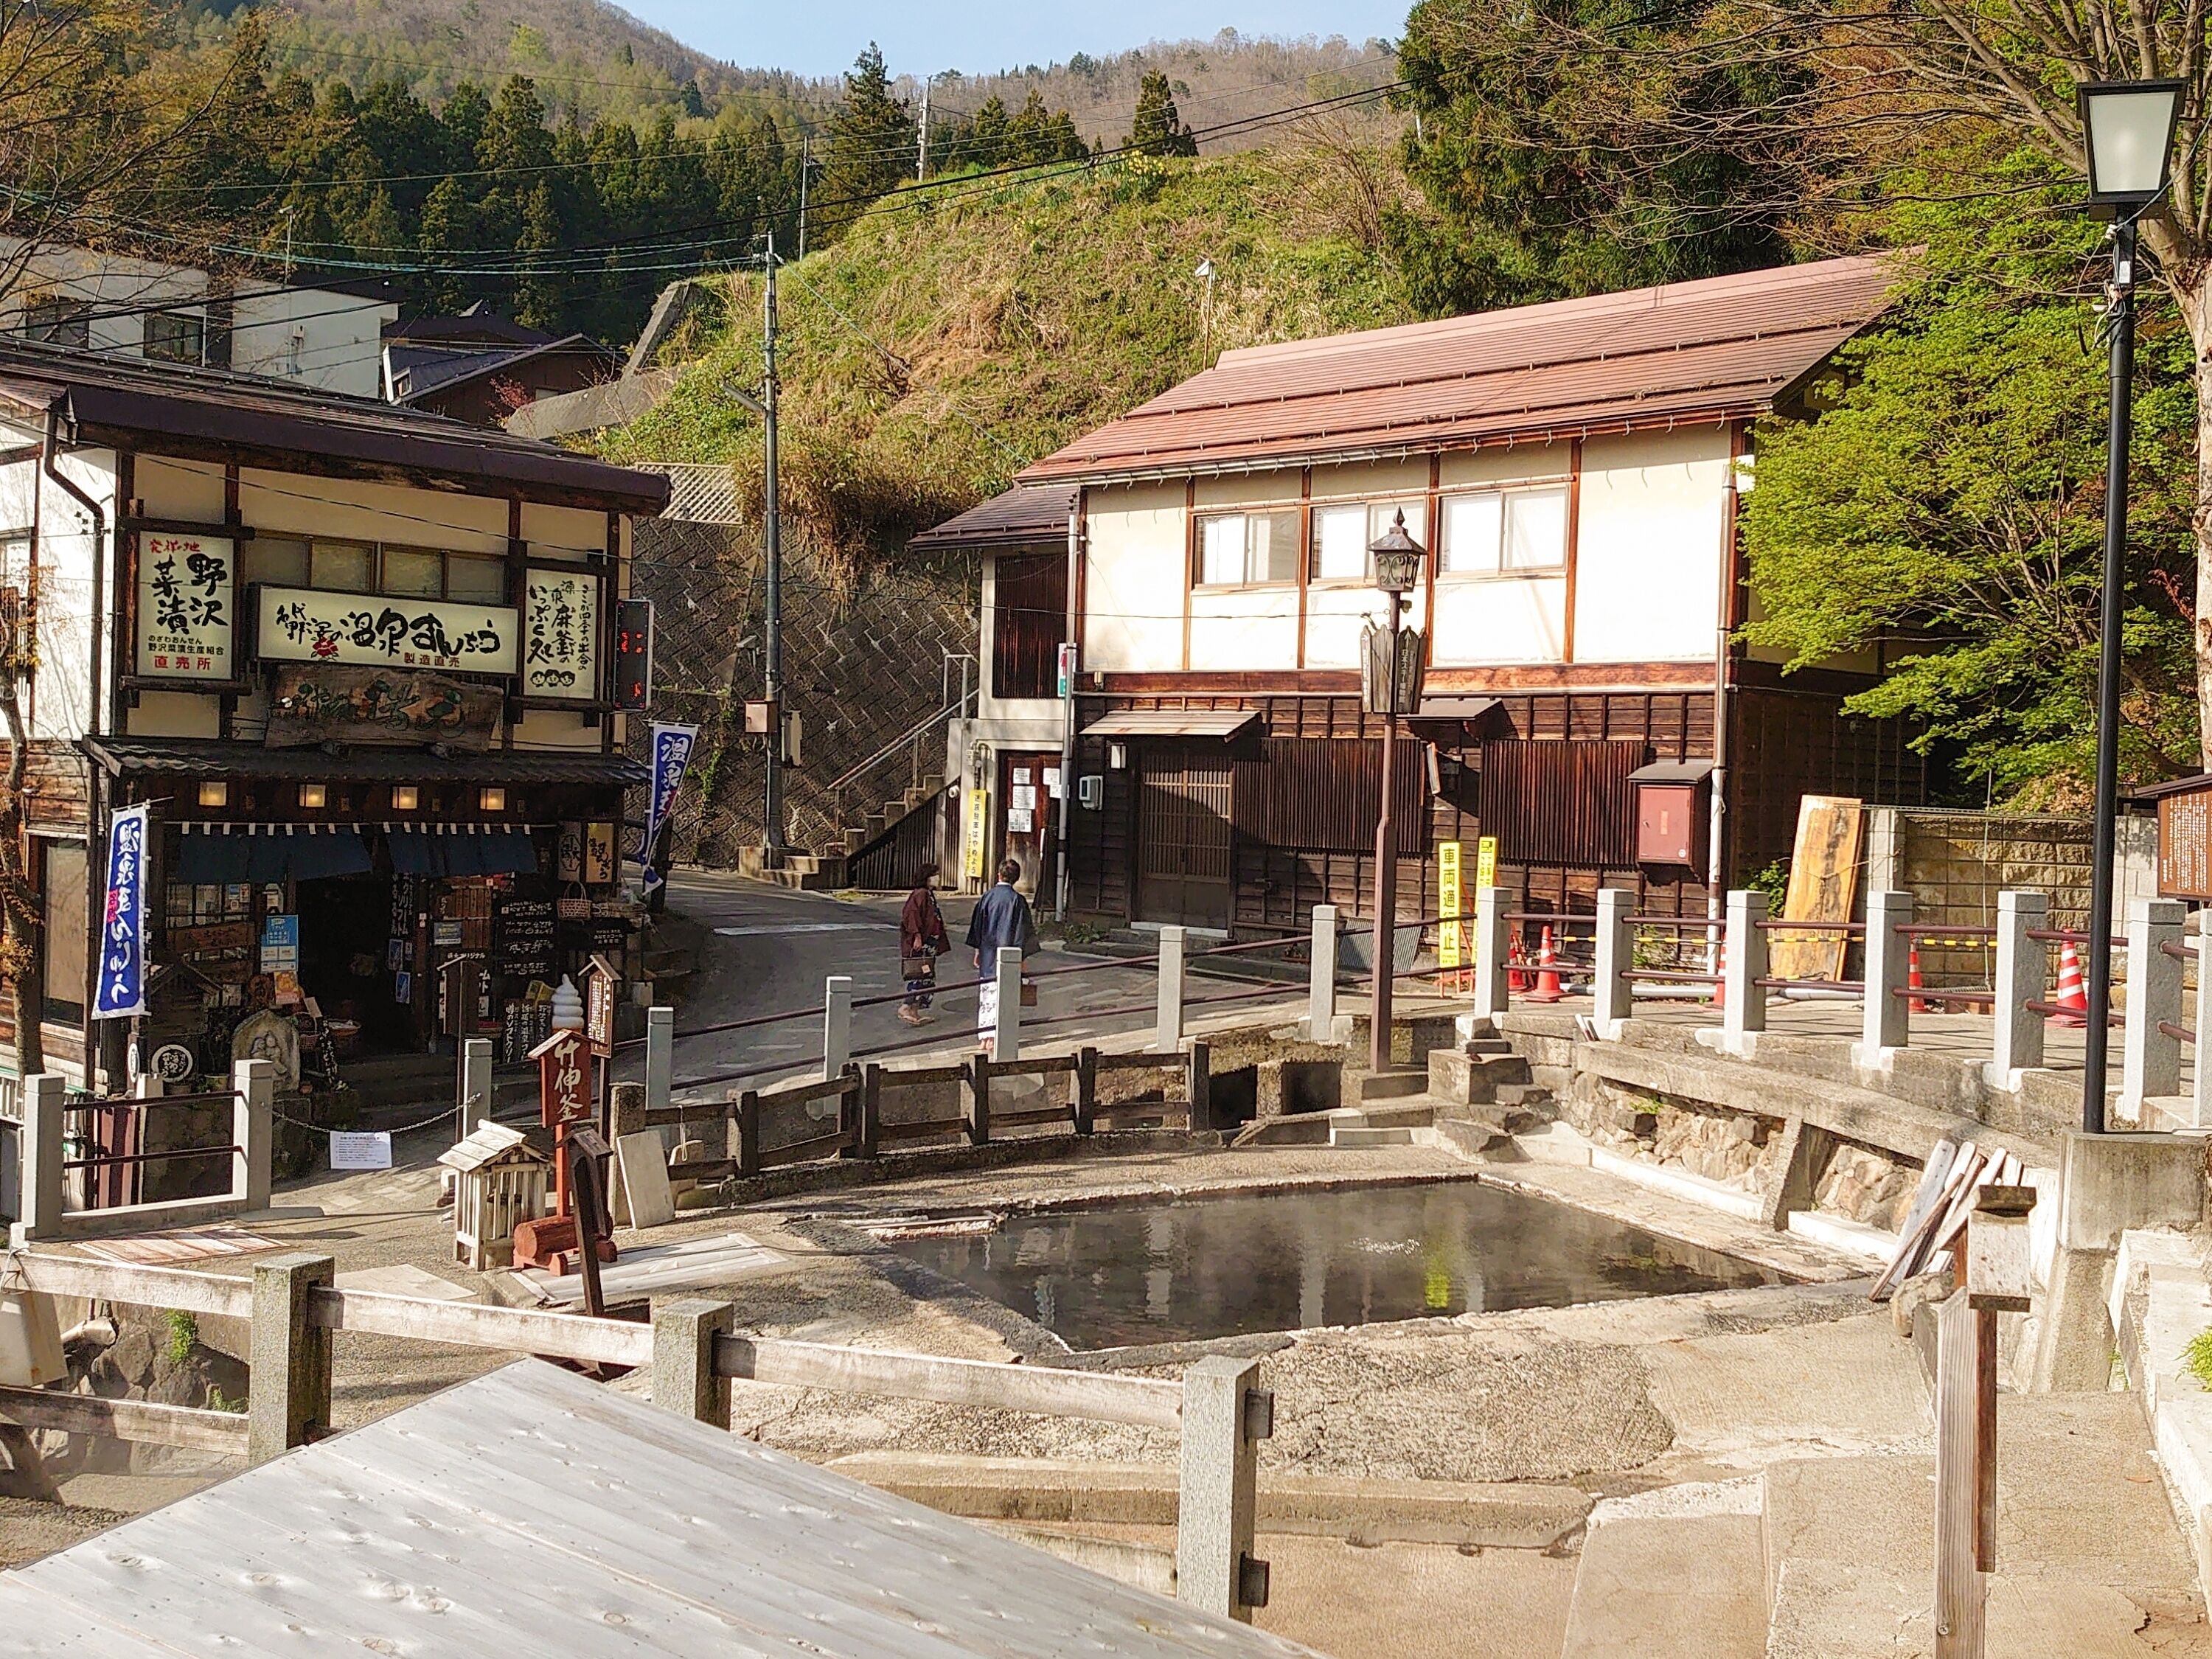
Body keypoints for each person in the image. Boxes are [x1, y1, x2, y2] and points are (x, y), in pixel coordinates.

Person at [966, 857, 1040, 1051]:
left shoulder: (987, 897)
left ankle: (985, 1037)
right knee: (1005, 997)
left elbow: (978, 928)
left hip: (988, 955)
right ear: (1016, 878)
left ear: (998, 875)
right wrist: (1022, 960)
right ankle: (996, 1036)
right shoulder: (1018, 901)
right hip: (1010, 956)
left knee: (987, 995)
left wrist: (977, 950)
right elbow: (1023, 933)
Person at [897, 864, 950, 1025]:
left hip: (930, 942)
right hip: (922, 943)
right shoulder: (920, 894)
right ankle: (907, 1006)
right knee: (919, 974)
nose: (937, 878)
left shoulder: (928, 894)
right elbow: (911, 916)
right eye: (935, 875)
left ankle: (915, 1010)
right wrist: (917, 936)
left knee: (927, 976)